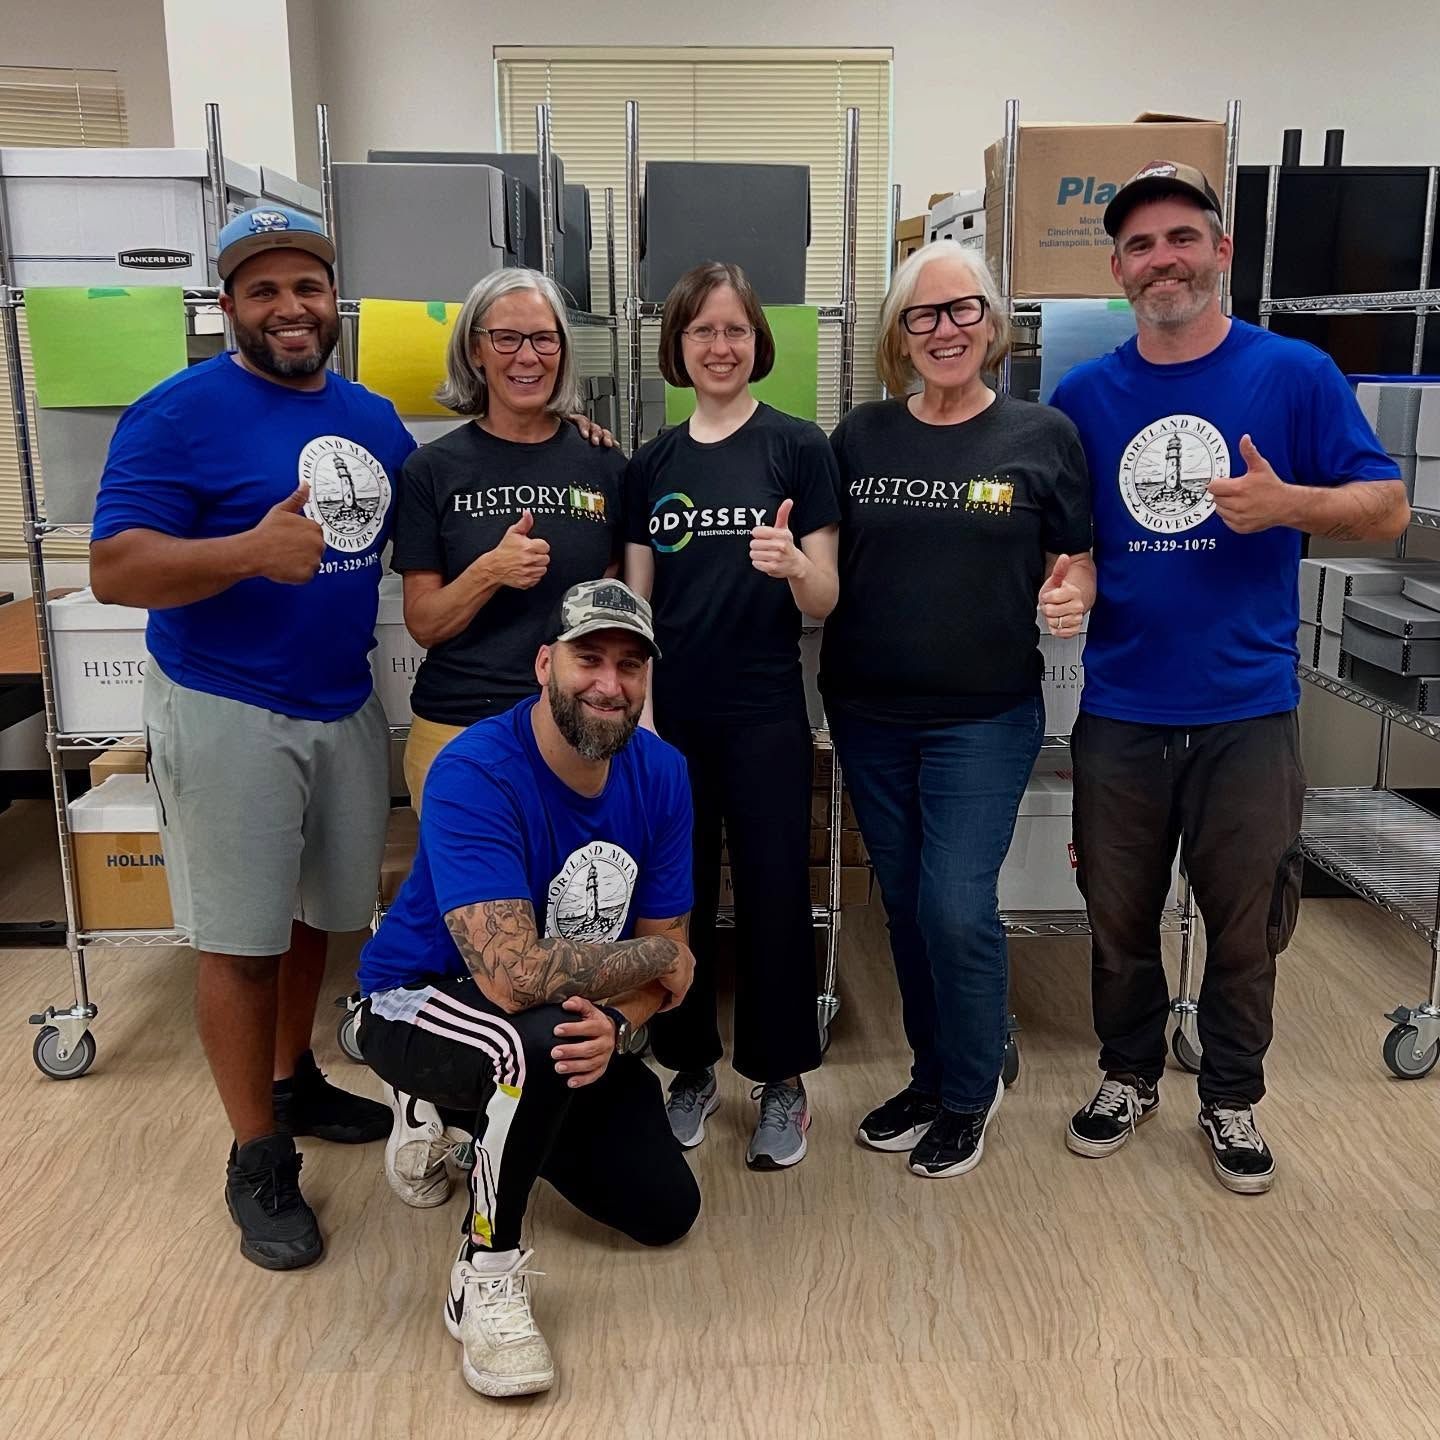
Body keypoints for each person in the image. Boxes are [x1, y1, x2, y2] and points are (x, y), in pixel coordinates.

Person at [1051, 162, 1409, 1194]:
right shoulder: (1084, 397)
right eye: (1139, 246)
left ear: (1219, 253)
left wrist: (1287, 503)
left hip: (1247, 710)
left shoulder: (1293, 375)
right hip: (1120, 705)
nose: (1160, 259)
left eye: (1179, 238)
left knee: (1244, 921)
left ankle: (1233, 1097)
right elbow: (1071, 538)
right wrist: (1068, 582)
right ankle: (1127, 1073)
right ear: (1119, 270)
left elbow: (1384, 509)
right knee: (1116, 916)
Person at [89, 206, 416, 1269]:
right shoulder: (174, 415)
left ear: (335, 302)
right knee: (240, 936)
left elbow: (441, 512)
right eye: (263, 290)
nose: (290, 308)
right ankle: (255, 1154)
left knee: (323, 909)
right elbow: (116, 569)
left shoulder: (373, 419)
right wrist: (243, 552)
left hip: (340, 701)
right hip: (227, 703)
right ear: (227, 306)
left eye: (306, 288)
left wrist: (573, 438)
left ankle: (294, 1080)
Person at [356, 578, 699, 1399]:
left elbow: (672, 954)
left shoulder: (664, 773)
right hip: (418, 997)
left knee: (663, 1211)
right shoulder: (475, 767)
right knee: (529, 1039)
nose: (609, 685)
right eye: (589, 659)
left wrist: (621, 1022)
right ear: (546, 663)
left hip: (570, 1012)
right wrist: (656, 966)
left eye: (630, 665)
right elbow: (514, 979)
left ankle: (475, 1117)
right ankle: (487, 1271)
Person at [821, 240, 1094, 1178]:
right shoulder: (859, 437)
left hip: (983, 714)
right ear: (899, 336)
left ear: (995, 322)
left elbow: (1078, 554)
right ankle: (931, 1074)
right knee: (901, 905)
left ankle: (974, 1090)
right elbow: (823, 561)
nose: (945, 329)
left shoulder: (1041, 436)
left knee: (955, 905)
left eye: (963, 309)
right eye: (922, 315)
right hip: (868, 708)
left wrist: (1075, 592)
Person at [623, 261, 842, 1170]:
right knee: (674, 901)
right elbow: (632, 611)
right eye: (703, 331)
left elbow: (826, 599)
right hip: (672, 717)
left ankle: (781, 1080)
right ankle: (689, 1066)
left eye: (737, 331)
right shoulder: (652, 464)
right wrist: (635, 718)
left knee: (773, 895)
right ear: (677, 346)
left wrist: (794, 565)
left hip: (763, 710)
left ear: (760, 343)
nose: (721, 346)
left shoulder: (799, 448)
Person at [393, 268, 627, 813]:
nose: (528, 356)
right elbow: (424, 622)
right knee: (475, 899)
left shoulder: (603, 463)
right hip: (460, 727)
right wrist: (489, 571)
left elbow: (619, 599)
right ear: (476, 349)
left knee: (573, 899)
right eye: (507, 338)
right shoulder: (432, 469)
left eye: (545, 338)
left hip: (573, 724)